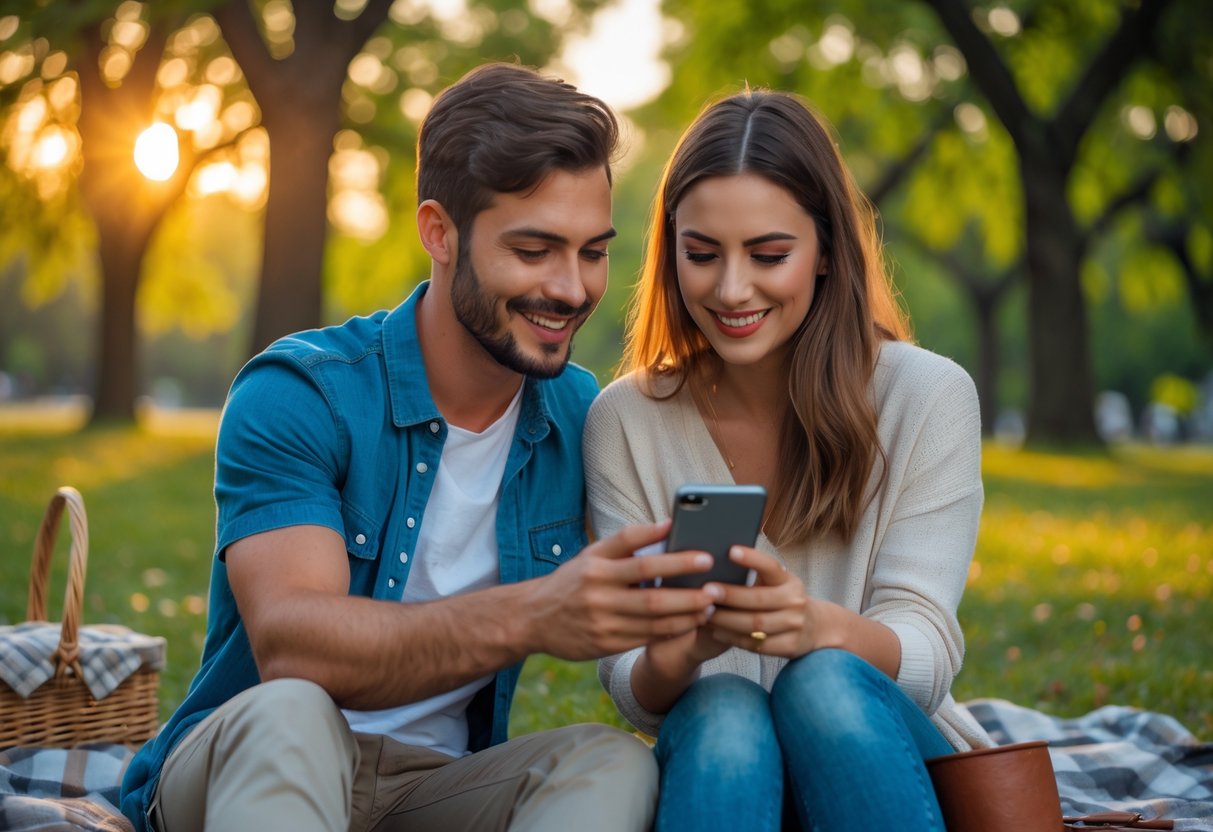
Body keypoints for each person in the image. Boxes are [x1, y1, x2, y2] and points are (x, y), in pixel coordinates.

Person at [120, 63, 722, 832]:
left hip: (433, 787)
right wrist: (532, 613)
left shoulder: (582, 416)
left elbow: (649, 624)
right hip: (250, 767)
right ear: (438, 232)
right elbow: (294, 649)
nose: (571, 289)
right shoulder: (303, 393)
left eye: (592, 252)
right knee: (293, 712)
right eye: (534, 250)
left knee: (613, 761)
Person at [583, 88, 993, 831]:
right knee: (725, 703)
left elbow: (927, 650)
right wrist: (678, 652)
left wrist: (812, 628)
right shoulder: (625, 420)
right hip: (726, 773)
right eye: (700, 254)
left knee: (823, 683)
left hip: (882, 764)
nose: (731, 289)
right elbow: (631, 684)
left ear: (827, 250)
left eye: (768, 254)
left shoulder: (926, 396)